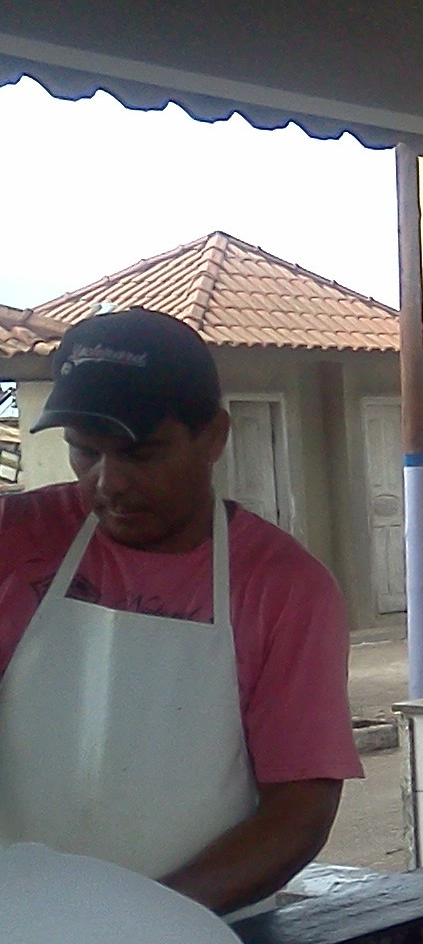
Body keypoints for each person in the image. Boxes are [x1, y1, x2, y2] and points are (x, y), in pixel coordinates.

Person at [0, 308, 362, 913]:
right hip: (18, 934)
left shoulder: (284, 588)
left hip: (205, 937)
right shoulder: (15, 542)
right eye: (84, 451)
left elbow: (298, 812)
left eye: (141, 454)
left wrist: (150, 923)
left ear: (214, 436)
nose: (108, 483)